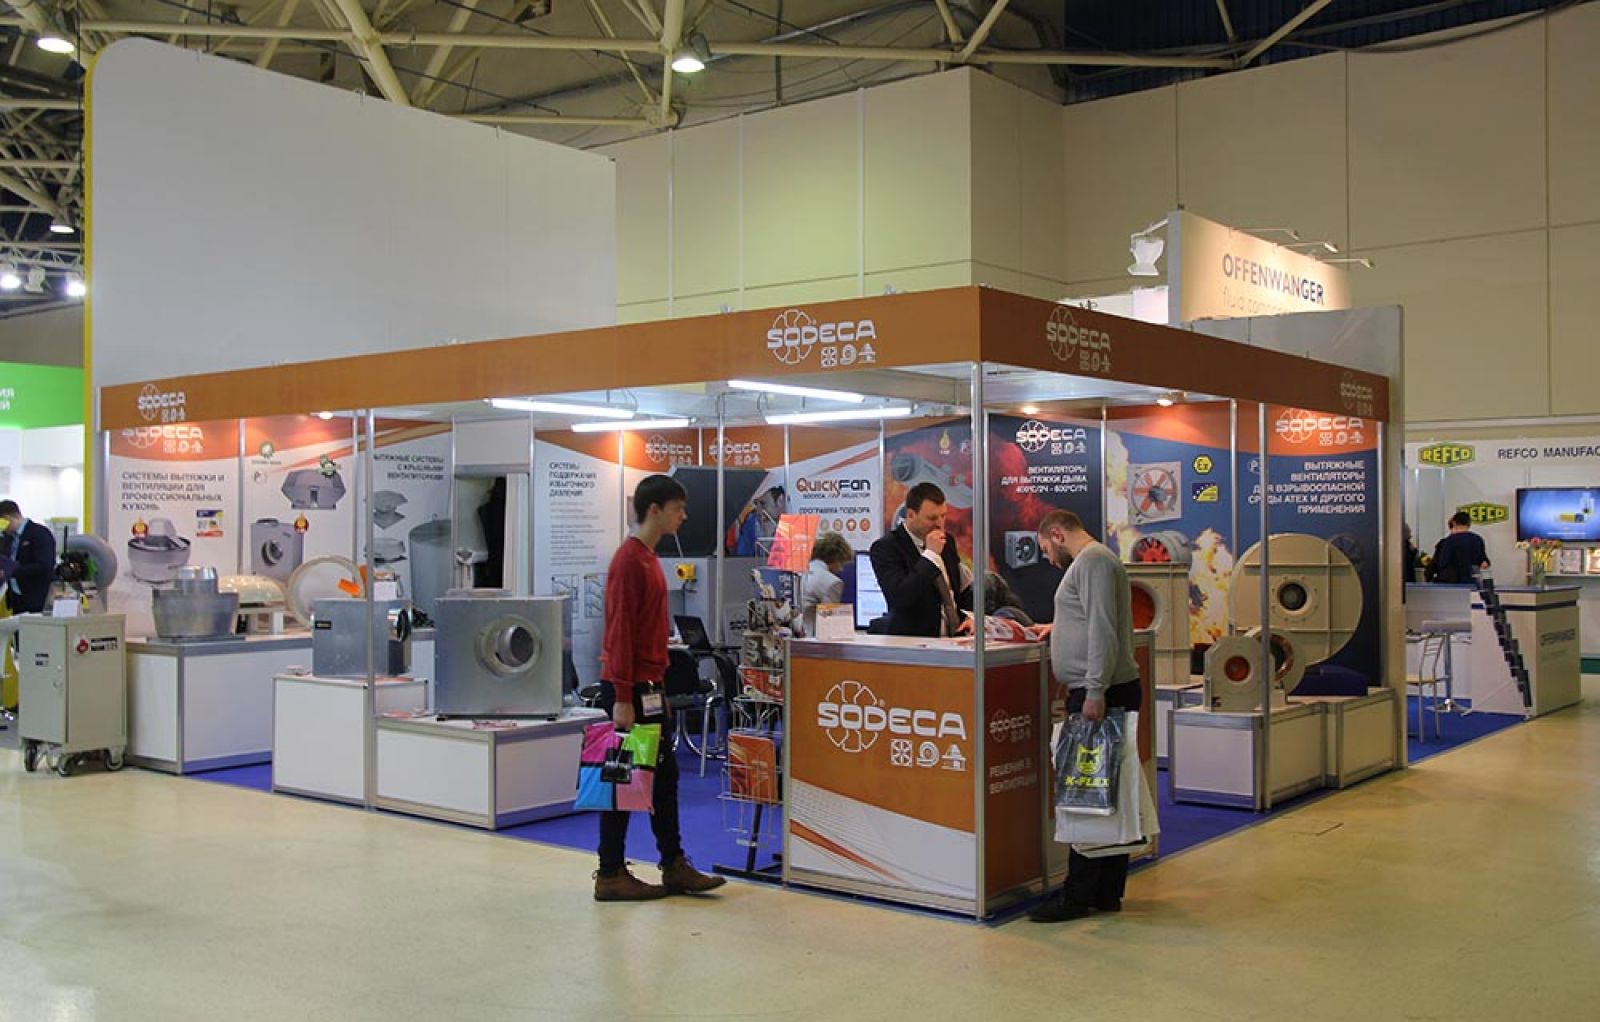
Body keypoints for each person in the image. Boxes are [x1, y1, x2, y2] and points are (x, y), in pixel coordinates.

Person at [594, 475, 726, 902]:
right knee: (624, 778)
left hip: (648, 688)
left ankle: (672, 863)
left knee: (662, 778)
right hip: (630, 690)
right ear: (655, 510)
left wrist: (658, 691)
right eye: (678, 508)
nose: (684, 516)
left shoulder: (649, 558)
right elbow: (619, 631)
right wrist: (623, 697)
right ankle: (611, 871)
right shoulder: (629, 561)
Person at [1028, 509, 1142, 924]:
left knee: (1087, 794)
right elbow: (1088, 618)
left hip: (1101, 693)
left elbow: (1102, 628)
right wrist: (1057, 627)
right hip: (1108, 689)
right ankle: (1105, 892)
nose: (1047, 558)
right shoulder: (1098, 561)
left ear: (1057, 534)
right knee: (1107, 796)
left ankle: (1076, 895)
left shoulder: (1091, 561)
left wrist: (1094, 690)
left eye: (1046, 548)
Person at [867, 482, 974, 638]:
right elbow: (900, 597)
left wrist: (970, 616)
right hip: (915, 640)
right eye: (932, 518)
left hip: (955, 638)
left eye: (943, 516)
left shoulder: (947, 541)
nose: (939, 524)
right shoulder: (886, 547)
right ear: (911, 514)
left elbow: (960, 587)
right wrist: (930, 555)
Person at [0, 500, 57, 615]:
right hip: (17, 599)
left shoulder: (39, 533)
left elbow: (44, 565)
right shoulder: (7, 538)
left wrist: (14, 571)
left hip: (37, 599)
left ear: (8, 518)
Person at [800, 531, 852, 637]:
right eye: (841, 563)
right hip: (811, 639)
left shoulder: (799, 571)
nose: (841, 569)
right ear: (836, 558)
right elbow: (831, 626)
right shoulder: (832, 582)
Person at [1425, 511, 1490, 584]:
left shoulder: (1447, 542)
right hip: (1472, 583)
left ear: (1454, 523)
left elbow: (1440, 563)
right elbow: (1484, 563)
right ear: (1469, 524)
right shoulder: (1478, 539)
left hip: (1450, 584)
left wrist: (1429, 578)